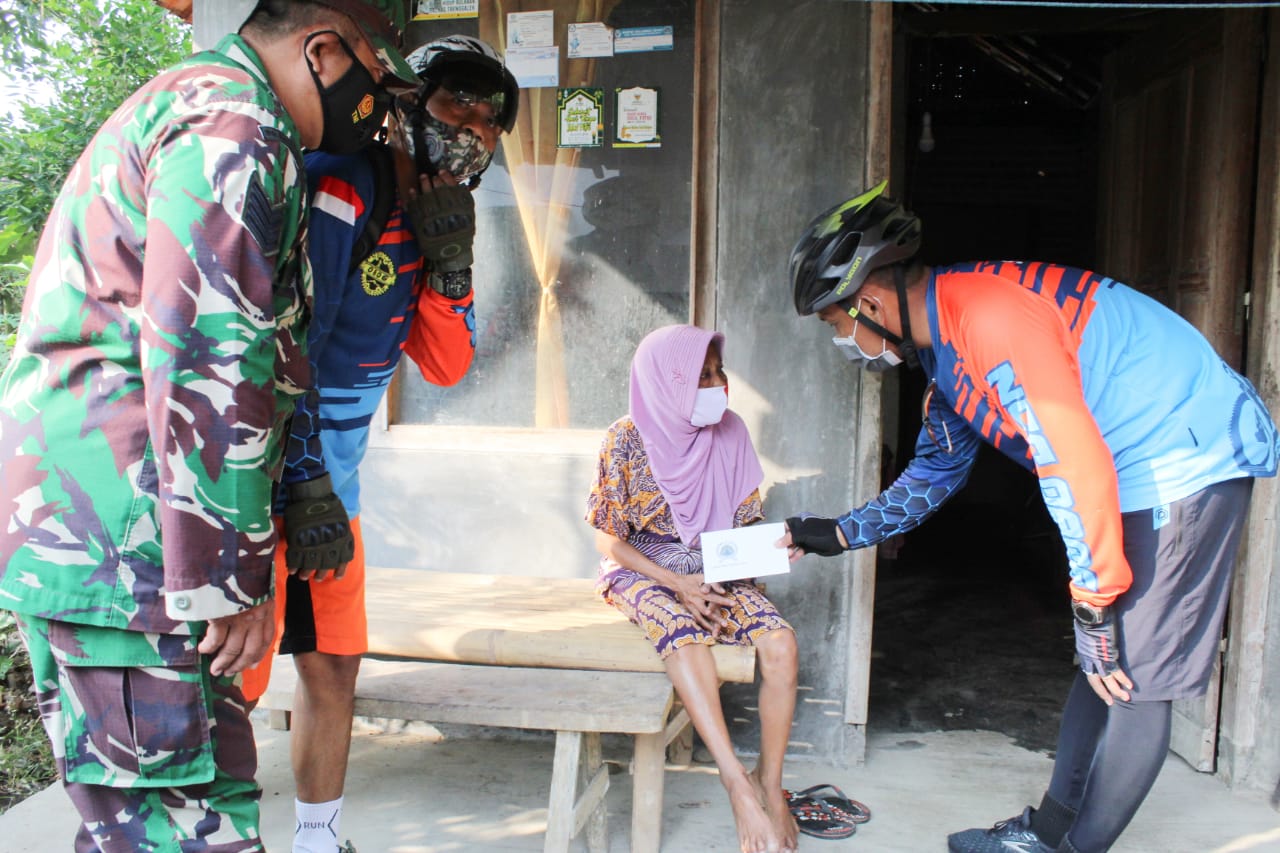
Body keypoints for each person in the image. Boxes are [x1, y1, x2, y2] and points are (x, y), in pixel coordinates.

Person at [0, 1, 419, 850]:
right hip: (118, 539)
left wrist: (296, 494)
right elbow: (206, 355)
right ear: (326, 53)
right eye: (379, 81)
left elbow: (267, 351)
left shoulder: (216, 110)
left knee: (195, 803)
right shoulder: (233, 123)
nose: (381, 112)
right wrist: (228, 577)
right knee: (178, 826)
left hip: (133, 538)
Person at [779, 182, 1279, 853]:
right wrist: (840, 533)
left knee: (1133, 682)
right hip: (1128, 466)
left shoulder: (989, 321)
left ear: (868, 300)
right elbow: (935, 472)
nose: (845, 341)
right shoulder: (944, 349)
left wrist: (1095, 601)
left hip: (1183, 461)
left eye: (838, 325)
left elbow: (1072, 459)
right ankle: (1045, 835)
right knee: (1099, 666)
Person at [236, 34, 518, 853]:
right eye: (459, 100)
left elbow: (445, 362)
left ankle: (317, 839)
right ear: (406, 104)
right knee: (236, 675)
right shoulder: (343, 188)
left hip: (336, 496)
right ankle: (209, 832)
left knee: (332, 669)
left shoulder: (435, 217)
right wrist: (303, 481)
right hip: (267, 486)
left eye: (494, 117)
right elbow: (280, 346)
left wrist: (453, 267)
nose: (478, 125)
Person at [585, 324, 801, 853]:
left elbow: (745, 522)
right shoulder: (626, 438)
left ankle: (769, 785)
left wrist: (771, 547)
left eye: (717, 373)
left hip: (716, 568)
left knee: (781, 645)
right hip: (645, 572)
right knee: (683, 635)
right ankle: (735, 784)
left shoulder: (730, 431)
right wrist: (676, 581)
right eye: (701, 376)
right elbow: (606, 540)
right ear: (668, 380)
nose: (716, 385)